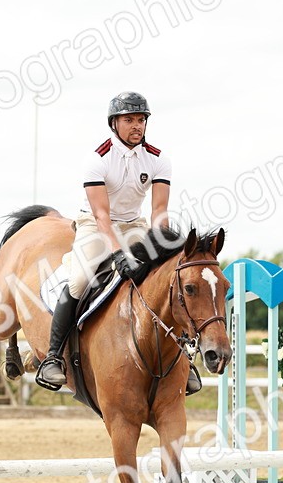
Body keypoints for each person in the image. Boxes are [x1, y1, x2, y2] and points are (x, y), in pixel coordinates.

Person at [35, 91, 202, 394]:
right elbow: (102, 216)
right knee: (79, 278)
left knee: (164, 278)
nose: (137, 125)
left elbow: (159, 213)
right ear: (114, 123)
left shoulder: (158, 158)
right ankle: (53, 357)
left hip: (135, 226)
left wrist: (160, 248)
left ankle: (184, 362)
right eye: (129, 120)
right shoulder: (97, 159)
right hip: (95, 226)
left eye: (141, 120)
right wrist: (116, 254)